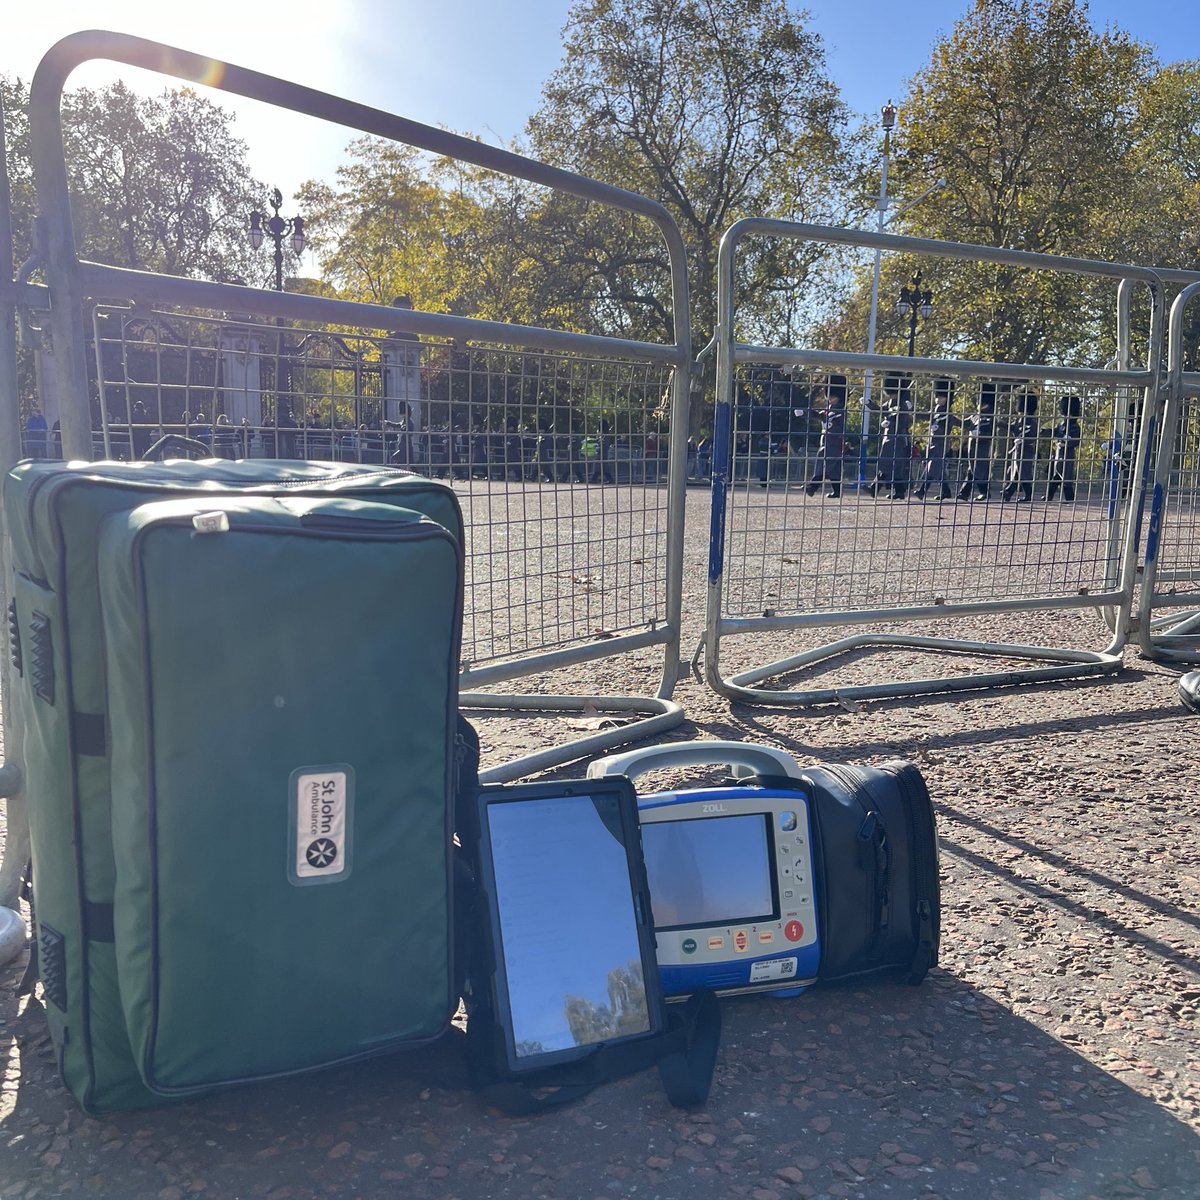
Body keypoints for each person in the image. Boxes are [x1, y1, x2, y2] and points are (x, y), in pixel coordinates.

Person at [868, 372, 914, 500]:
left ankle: (874, 488)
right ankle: (899, 492)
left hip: (898, 437)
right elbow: (879, 409)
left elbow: (904, 419)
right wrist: (868, 403)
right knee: (893, 466)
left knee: (887, 463)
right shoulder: (890, 403)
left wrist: (891, 421)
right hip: (888, 437)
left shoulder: (903, 403)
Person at [913, 378, 960, 501]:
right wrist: (912, 411)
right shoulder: (936, 410)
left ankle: (922, 491)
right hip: (932, 443)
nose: (938, 399)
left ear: (947, 398)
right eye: (937, 397)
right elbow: (925, 415)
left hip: (941, 443)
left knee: (932, 466)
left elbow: (948, 427)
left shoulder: (947, 413)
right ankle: (946, 491)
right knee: (938, 470)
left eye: (941, 397)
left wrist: (938, 429)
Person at [804, 373, 847, 498]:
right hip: (827, 440)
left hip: (834, 440)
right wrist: (809, 413)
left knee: (825, 464)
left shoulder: (839, 409)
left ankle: (812, 487)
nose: (830, 398)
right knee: (832, 468)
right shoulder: (831, 407)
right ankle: (837, 491)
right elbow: (822, 416)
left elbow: (836, 422)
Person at [958, 382, 998, 501]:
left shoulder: (990, 417)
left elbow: (988, 432)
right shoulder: (975, 416)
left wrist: (978, 434)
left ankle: (969, 492)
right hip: (973, 448)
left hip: (982, 448)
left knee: (978, 470)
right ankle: (978, 492)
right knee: (974, 470)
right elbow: (963, 423)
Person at [1002, 388, 1040, 503]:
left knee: (1024, 473)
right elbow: (1011, 427)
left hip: (1026, 451)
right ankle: (1008, 492)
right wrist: (999, 422)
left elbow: (1032, 435)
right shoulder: (1019, 421)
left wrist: (1023, 440)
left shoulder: (1031, 422)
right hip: (1017, 451)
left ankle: (1022, 494)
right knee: (1015, 473)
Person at [1045, 394, 1082, 502]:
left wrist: (1066, 443)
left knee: (1066, 478)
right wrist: (1043, 432)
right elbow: (1053, 431)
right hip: (1058, 454)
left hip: (1068, 454)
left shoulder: (1075, 427)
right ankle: (1048, 497)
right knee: (1056, 476)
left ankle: (1069, 499)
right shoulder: (1061, 425)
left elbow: (1075, 441)